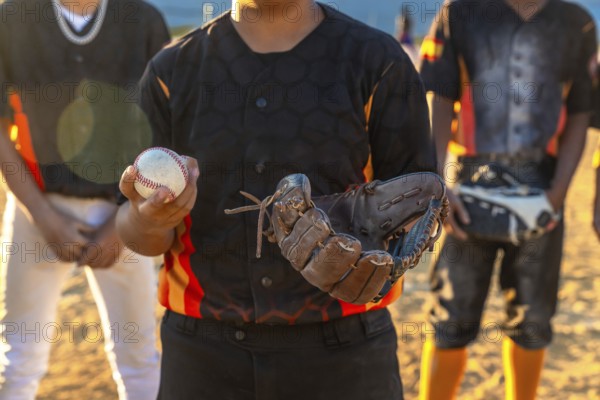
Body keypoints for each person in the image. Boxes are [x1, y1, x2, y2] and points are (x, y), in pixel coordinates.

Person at [115, 0, 436, 398]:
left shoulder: (376, 61)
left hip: (346, 352)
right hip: (204, 356)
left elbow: (419, 205)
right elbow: (137, 235)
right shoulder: (171, 72)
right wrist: (150, 220)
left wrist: (372, 238)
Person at [417, 0, 597, 399]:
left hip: (543, 185)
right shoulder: (460, 12)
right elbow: (441, 97)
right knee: (450, 317)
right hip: (466, 186)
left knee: (532, 319)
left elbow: (581, 113)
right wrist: (440, 184)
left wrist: (557, 193)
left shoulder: (576, 23)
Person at [0, 0, 169, 399]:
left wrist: (125, 221)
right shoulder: (12, 18)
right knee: (18, 360)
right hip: (35, 206)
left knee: (140, 358)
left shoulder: (143, 19)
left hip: (125, 211)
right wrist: (41, 214)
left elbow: (165, 126)